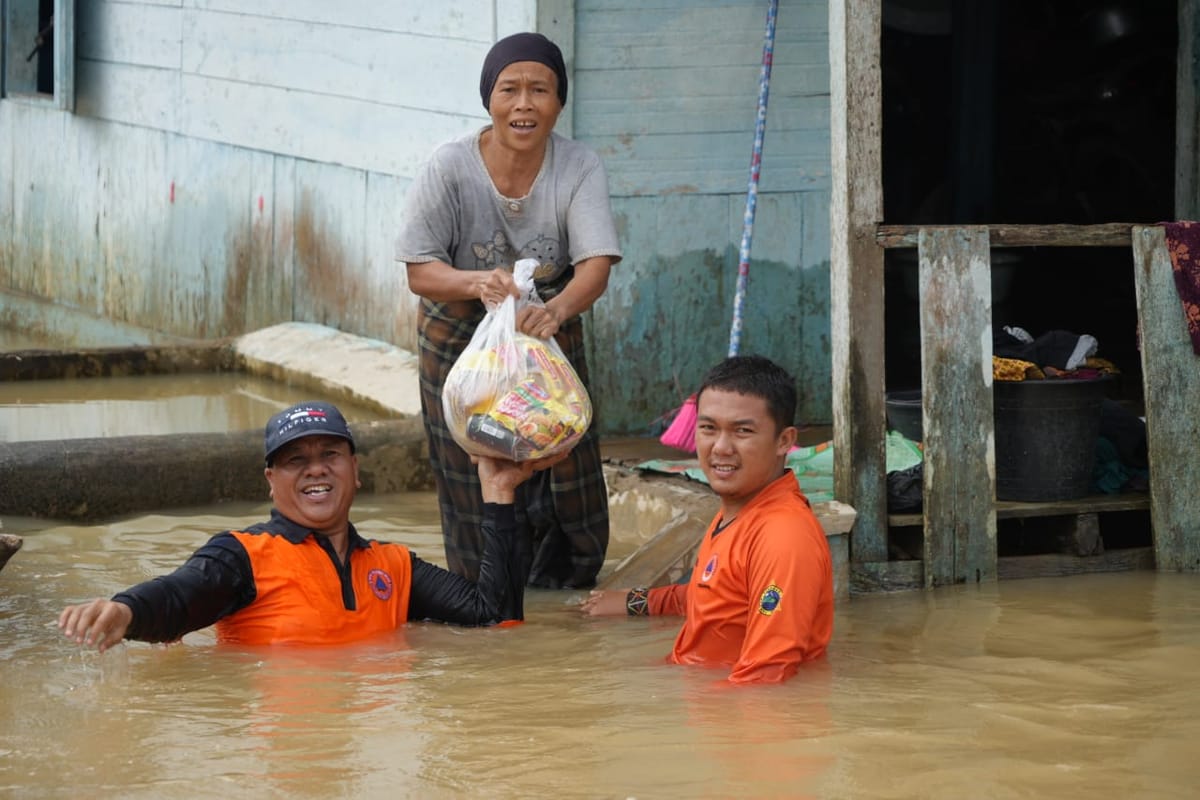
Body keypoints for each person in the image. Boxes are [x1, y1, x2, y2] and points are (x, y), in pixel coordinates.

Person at [395, 31, 622, 590]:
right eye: (509, 90)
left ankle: (564, 586)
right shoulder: (449, 166)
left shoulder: (579, 166)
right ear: (489, 99)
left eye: (540, 90)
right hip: (459, 327)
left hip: (546, 320)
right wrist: (478, 283)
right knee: (468, 456)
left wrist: (556, 311)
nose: (524, 105)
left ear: (559, 101)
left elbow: (595, 264)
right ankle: (484, 587)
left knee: (565, 449)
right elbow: (420, 271)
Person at [58, 401, 554, 652]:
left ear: (355, 471)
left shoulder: (393, 565)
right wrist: (126, 609)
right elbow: (180, 595)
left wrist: (499, 492)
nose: (316, 469)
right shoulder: (243, 555)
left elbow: (496, 619)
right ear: (272, 480)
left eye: (330, 454)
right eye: (296, 460)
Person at [581, 356, 834, 684]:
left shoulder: (782, 537)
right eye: (709, 428)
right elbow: (718, 595)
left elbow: (767, 678)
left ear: (784, 441)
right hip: (701, 682)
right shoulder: (738, 510)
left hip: (731, 704)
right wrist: (637, 601)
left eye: (743, 431)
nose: (721, 448)